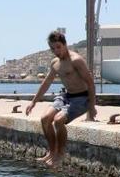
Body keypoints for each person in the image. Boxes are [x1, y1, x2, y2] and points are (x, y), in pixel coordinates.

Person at [25, 30, 97, 167]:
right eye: (53, 48)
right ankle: (52, 152)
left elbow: (90, 83)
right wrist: (33, 102)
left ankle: (60, 154)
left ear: (65, 45)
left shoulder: (76, 60)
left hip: (81, 98)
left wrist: (92, 107)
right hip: (67, 96)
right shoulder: (55, 63)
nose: (56, 51)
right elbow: (46, 83)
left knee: (58, 121)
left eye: (58, 47)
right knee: (45, 119)